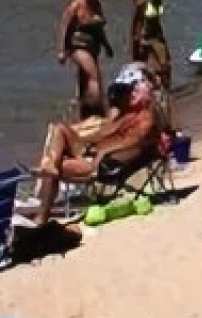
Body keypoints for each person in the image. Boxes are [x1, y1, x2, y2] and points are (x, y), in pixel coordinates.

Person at [28, 79, 157, 221]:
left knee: (55, 167)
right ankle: (50, 164)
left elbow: (134, 141)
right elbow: (105, 132)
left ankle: (41, 217)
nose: (132, 94)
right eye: (132, 91)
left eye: (137, 92)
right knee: (59, 128)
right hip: (93, 153)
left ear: (148, 98)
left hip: (100, 163)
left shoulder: (146, 118)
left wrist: (104, 152)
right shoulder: (129, 115)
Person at [57, 0, 113, 119]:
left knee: (84, 81)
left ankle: (85, 114)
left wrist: (107, 45)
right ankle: (99, 110)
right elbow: (65, 27)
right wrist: (62, 50)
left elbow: (99, 28)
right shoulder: (77, 5)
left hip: (94, 46)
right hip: (78, 46)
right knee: (94, 76)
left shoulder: (97, 4)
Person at [130, 0, 171, 78]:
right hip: (147, 37)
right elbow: (136, 22)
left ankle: (163, 91)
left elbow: (156, 20)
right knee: (161, 65)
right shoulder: (144, 1)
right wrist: (135, 41)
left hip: (157, 34)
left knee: (164, 65)